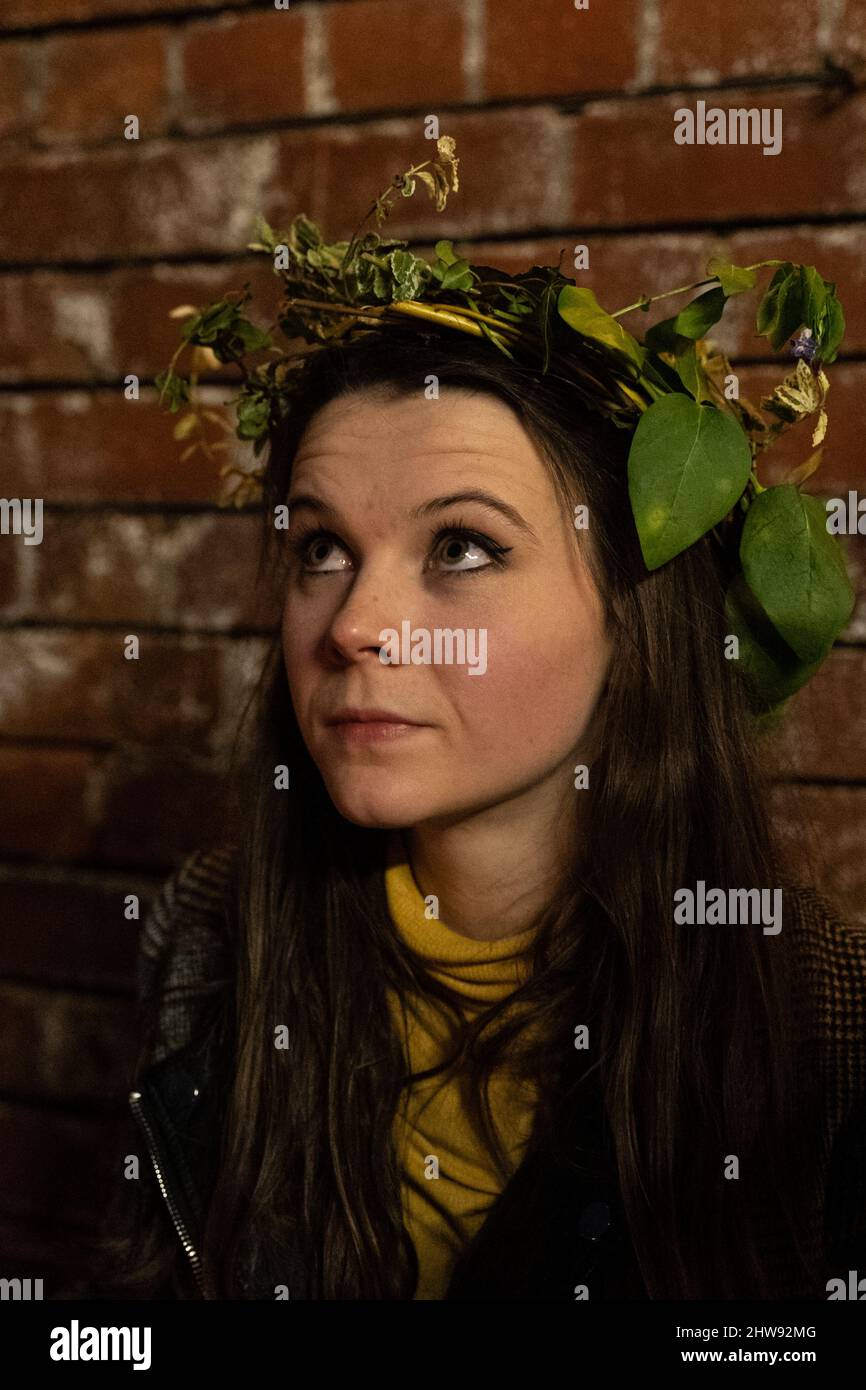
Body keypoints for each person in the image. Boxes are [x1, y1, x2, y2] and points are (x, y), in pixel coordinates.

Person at [84, 328, 865, 1301]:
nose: (355, 625)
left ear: (636, 615)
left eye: (460, 546)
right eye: (320, 547)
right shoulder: (208, 930)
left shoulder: (823, 1016)